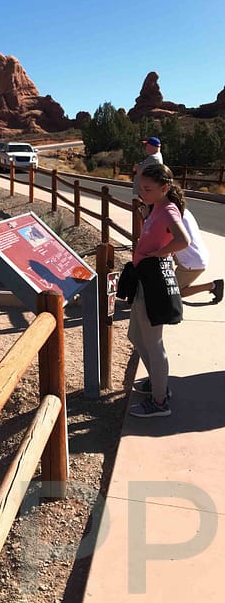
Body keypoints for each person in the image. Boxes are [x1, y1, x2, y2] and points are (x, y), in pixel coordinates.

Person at [125, 163, 191, 418]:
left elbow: (182, 239)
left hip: (154, 282)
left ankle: (160, 400)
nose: (143, 192)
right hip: (145, 279)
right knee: (135, 335)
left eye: (148, 189)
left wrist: (158, 254)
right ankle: (157, 381)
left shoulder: (169, 209)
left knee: (153, 342)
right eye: (141, 187)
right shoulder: (156, 207)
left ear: (164, 188)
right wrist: (146, 215)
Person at [171, 201, 224, 303]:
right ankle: (213, 286)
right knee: (171, 288)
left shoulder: (172, 216)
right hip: (197, 256)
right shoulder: (185, 212)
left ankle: (213, 286)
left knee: (174, 292)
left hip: (192, 262)